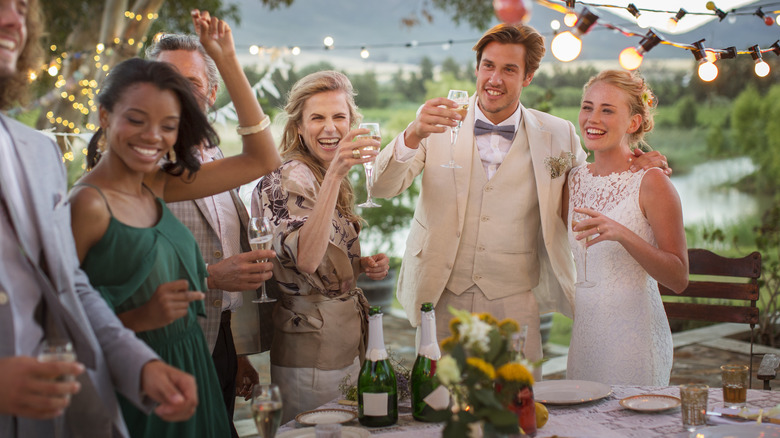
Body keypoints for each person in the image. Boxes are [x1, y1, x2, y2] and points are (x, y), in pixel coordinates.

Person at [370, 23, 670, 372]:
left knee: (517, 411)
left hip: (515, 298)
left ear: (528, 77)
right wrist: (412, 133)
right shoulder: (436, 121)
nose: (495, 79)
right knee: (440, 408)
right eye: (488, 66)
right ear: (477, 68)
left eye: (509, 69)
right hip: (440, 291)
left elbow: (592, 181)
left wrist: (639, 161)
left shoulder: (559, 134)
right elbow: (381, 187)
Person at [68, 11, 280, 437]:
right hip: (139, 374)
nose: (153, 136)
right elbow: (56, 314)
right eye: (137, 118)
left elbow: (263, 159)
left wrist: (228, 58)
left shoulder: (158, 183)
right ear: (105, 115)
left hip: (194, 361)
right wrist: (141, 316)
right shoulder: (87, 204)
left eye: (168, 124)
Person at [0, 0, 200, 436]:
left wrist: (140, 365)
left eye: (21, 6)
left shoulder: (38, 152)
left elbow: (68, 285)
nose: (13, 20)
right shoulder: (87, 199)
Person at [146, 33, 273, 438]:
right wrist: (213, 277)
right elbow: (128, 273)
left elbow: (222, 241)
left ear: (212, 92)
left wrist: (234, 352)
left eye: (192, 82)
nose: (179, 91)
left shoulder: (214, 154)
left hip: (218, 338)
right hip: (166, 345)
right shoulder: (148, 166)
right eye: (166, 78)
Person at [251, 70, 389, 422]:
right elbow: (308, 260)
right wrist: (337, 174)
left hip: (343, 338)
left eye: (339, 117)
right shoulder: (286, 177)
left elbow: (328, 251)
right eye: (318, 118)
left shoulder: (321, 170)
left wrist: (360, 265)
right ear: (299, 126)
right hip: (310, 347)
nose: (330, 128)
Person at [564, 70, 688, 385]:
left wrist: (622, 233)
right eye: (587, 107)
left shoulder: (652, 182)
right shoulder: (573, 180)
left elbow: (678, 277)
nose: (593, 118)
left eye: (607, 110)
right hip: (585, 338)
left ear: (632, 123)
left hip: (634, 340)